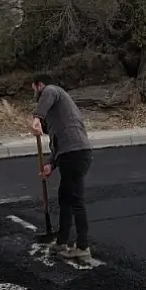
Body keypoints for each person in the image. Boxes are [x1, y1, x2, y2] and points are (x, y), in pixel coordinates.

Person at [30, 73, 93, 263]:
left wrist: (37, 118)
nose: (34, 93)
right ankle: (62, 241)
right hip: (69, 155)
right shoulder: (57, 114)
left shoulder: (52, 90)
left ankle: (82, 247)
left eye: (33, 89)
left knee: (75, 200)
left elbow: (49, 92)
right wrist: (50, 163)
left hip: (75, 154)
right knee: (65, 199)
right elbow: (56, 144)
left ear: (39, 85)